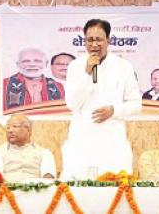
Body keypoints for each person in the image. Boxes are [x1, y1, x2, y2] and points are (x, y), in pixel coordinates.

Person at [61, 19, 142, 180]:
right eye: (90, 40)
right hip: (82, 138)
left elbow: (136, 104)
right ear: (84, 41)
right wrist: (87, 73)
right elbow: (72, 104)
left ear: (108, 40)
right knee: (79, 193)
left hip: (112, 140)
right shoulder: (75, 66)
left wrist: (114, 110)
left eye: (99, 39)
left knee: (114, 194)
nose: (94, 44)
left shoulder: (123, 66)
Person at [0, 114, 56, 182]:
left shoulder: (44, 153)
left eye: (15, 126)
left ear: (28, 130)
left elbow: (48, 179)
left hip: (35, 192)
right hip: (5, 191)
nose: (10, 130)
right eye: (8, 127)